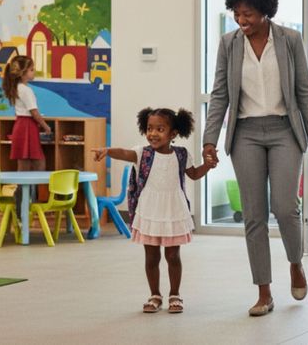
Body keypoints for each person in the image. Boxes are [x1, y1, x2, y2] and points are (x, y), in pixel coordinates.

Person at [202, 0, 308, 316]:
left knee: (285, 207)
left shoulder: (289, 40)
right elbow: (220, 94)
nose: (243, 21)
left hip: (285, 130)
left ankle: (295, 262)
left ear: (266, 12)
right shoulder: (229, 44)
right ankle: (264, 291)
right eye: (238, 14)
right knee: (254, 215)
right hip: (246, 134)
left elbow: (304, 93)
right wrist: (209, 139)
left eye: (250, 14)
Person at [91, 107, 215, 314]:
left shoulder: (182, 154)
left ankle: (175, 294)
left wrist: (208, 166)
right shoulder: (142, 153)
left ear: (173, 133)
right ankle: (155, 295)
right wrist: (107, 150)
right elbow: (124, 153)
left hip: (173, 210)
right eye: (149, 128)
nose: (153, 133)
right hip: (150, 211)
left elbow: (193, 174)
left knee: (173, 256)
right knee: (151, 257)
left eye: (160, 129)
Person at [2, 55, 52, 172]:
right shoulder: (26, 90)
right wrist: (46, 127)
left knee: (23, 162)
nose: (34, 72)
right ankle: (37, 189)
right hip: (27, 126)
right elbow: (34, 112)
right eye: (31, 70)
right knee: (39, 161)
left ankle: (21, 190)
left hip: (21, 125)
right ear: (23, 73)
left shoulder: (17, 88)